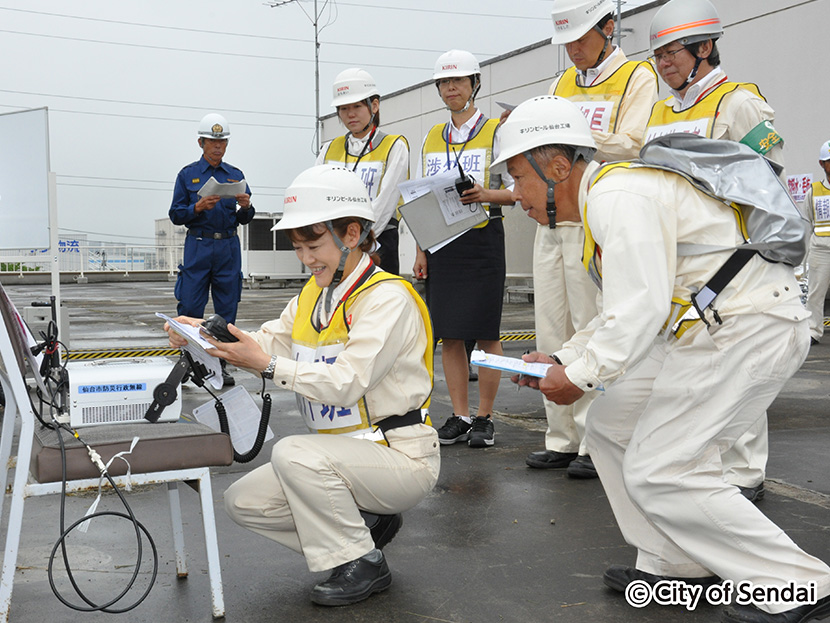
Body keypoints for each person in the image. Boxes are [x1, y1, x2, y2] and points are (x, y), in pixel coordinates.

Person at [499, 95, 830, 623]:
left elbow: (639, 310)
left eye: (519, 177)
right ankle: (677, 563)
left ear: (559, 166)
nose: (515, 195)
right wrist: (562, 357)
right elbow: (622, 310)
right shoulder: (610, 198)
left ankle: (794, 583)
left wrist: (578, 376)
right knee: (609, 424)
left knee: (663, 468)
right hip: (710, 330)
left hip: (748, 329)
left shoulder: (617, 196)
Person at [165, 165, 439, 607]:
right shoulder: (312, 295)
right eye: (299, 247)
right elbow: (266, 340)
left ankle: (360, 560)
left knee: (294, 451)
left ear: (352, 233)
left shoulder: (388, 298)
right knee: (244, 500)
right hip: (342, 457)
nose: (307, 258)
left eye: (314, 245)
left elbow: (346, 382)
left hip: (398, 456)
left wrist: (270, 366)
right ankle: (361, 543)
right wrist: (204, 332)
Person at [645, 0, 785, 503]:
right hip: (678, 255)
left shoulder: (737, 100)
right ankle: (701, 462)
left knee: (737, 362)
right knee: (690, 365)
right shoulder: (660, 112)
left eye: (673, 52)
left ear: (705, 48)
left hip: (731, 255)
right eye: (658, 55)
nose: (664, 64)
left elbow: (768, 177)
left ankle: (745, 473)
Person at [524, 0, 658, 478]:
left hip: (594, 216)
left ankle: (594, 443)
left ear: (608, 28)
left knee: (591, 323)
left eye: (582, 39)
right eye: (567, 44)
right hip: (550, 221)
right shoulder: (560, 84)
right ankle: (562, 437)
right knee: (550, 329)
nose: (574, 51)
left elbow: (635, 140)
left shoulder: (637, 76)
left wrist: (574, 140)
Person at [414, 49, 515, 448]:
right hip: (442, 242)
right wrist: (422, 249)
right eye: (443, 82)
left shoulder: (498, 131)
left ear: (475, 84)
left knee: (487, 332)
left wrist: (486, 193)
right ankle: (458, 415)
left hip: (483, 239)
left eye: (457, 81)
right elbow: (423, 197)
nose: (450, 88)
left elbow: (519, 190)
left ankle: (485, 418)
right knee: (450, 335)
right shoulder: (431, 137)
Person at [169, 113, 254, 387]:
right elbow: (175, 214)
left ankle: (220, 363)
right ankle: (189, 364)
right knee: (191, 305)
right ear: (201, 142)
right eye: (212, 141)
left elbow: (245, 218)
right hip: (199, 244)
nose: (217, 146)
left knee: (226, 309)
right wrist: (197, 208)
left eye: (222, 141)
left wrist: (246, 207)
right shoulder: (188, 175)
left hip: (228, 246)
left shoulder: (235, 175)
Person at [316, 68, 409, 274]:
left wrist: (356, 241)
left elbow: (385, 203)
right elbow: (317, 196)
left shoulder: (394, 146)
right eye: (343, 108)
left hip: (377, 243)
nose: (350, 114)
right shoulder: (329, 149)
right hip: (335, 244)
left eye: (357, 106)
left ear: (374, 105)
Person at [804, 140, 830, 344]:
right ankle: (813, 331)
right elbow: (807, 223)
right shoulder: (813, 191)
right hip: (821, 250)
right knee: (815, 292)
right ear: (822, 164)